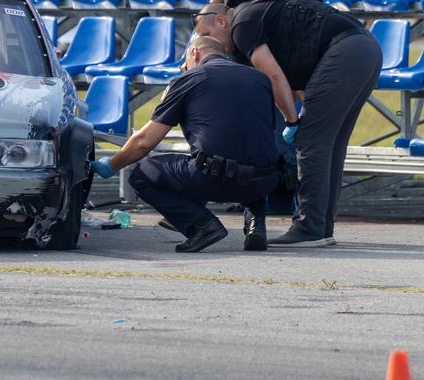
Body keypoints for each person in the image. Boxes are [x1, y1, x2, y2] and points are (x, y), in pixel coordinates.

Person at [196, 0, 381, 247]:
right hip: (364, 48)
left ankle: (309, 228)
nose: (207, 42)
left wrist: (292, 122)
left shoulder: (241, 24)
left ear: (221, 20)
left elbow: (272, 76)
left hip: (347, 50)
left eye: (207, 33)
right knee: (329, 144)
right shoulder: (246, 32)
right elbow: (290, 84)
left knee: (310, 141)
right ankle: (322, 227)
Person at [91, 35, 283, 253]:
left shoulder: (190, 79)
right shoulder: (260, 79)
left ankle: (201, 225)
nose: (185, 68)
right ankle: (256, 225)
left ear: (195, 53)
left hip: (212, 179)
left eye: (185, 65)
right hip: (264, 181)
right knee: (251, 153)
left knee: (144, 173)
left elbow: (145, 142)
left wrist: (113, 164)